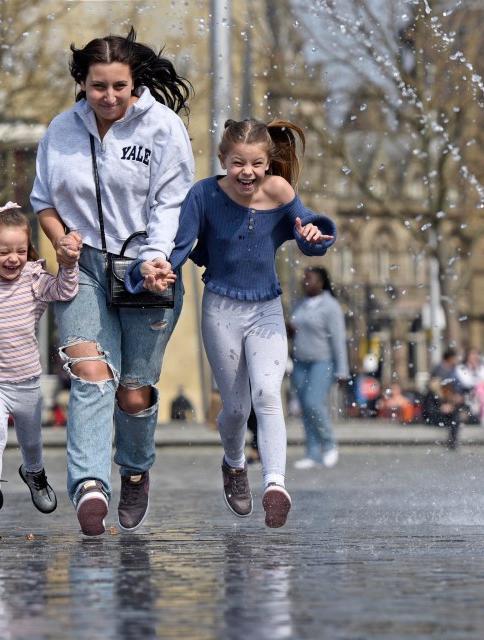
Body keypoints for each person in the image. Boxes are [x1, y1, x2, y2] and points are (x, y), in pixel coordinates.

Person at [130, 118, 336, 528]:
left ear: (268, 162)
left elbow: (309, 232)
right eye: (238, 162)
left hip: (266, 309)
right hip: (221, 308)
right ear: (223, 159)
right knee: (236, 407)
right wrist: (151, 273)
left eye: (257, 163)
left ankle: (275, 484)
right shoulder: (204, 195)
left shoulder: (278, 191)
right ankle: (234, 463)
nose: (248, 172)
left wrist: (315, 233)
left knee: (266, 394)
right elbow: (182, 244)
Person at [30, 28, 195, 536]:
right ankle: (89, 486)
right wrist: (60, 241)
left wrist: (154, 258)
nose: (108, 97)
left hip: (146, 268)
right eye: (98, 86)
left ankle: (135, 469)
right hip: (83, 269)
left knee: (134, 392)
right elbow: (44, 201)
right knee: (91, 375)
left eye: (118, 86)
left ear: (133, 83)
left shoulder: (164, 129)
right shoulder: (61, 129)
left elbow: (172, 203)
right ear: (83, 82)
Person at [0, 202, 81, 529]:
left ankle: (34, 473)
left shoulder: (33, 279)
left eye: (20, 251)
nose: (13, 258)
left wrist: (68, 264)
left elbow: (64, 291)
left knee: (31, 442)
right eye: (4, 251)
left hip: (27, 382)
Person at [288, 266, 350, 470]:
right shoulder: (300, 304)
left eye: (310, 279)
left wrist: (342, 370)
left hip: (322, 361)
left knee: (313, 402)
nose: (305, 282)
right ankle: (312, 453)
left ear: (321, 282)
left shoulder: (330, 306)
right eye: (304, 279)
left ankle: (330, 444)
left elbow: (338, 340)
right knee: (304, 408)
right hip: (300, 361)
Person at [455, 348, 484, 427]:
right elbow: (466, 382)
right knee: (480, 390)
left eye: (475, 355)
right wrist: (479, 382)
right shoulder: (461, 368)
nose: (474, 358)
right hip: (467, 392)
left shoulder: (481, 368)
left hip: (481, 393)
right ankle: (483, 416)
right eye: (472, 355)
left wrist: (476, 371)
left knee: (482, 391)